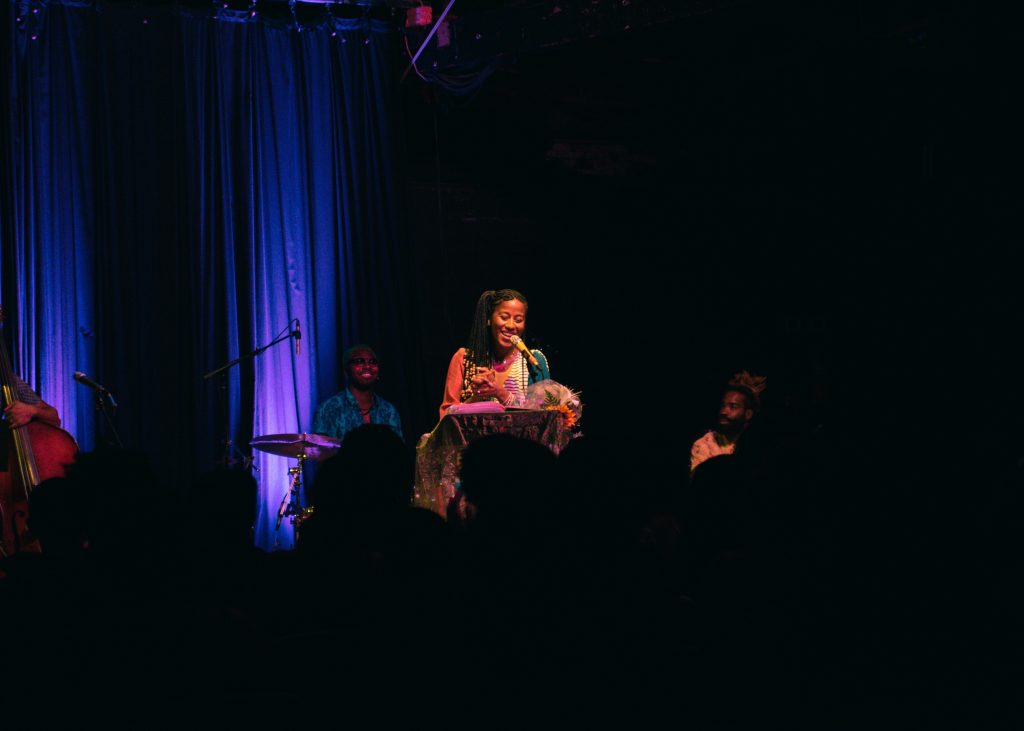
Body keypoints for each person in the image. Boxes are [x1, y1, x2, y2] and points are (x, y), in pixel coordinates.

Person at [439, 288, 550, 420]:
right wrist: (477, 397)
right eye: (504, 317)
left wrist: (500, 392)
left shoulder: (533, 361)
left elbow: (542, 418)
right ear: (489, 319)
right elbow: (446, 418)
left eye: (518, 320)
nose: (511, 325)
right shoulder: (465, 359)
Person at [313, 344, 402, 444]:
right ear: (346, 371)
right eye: (359, 361)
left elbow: (398, 453)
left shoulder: (389, 410)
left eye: (372, 362)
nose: (367, 366)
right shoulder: (329, 408)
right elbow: (321, 453)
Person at [689, 370, 766, 475]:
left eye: (733, 407)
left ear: (748, 414)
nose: (723, 412)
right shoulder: (706, 444)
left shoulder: (758, 445)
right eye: (723, 406)